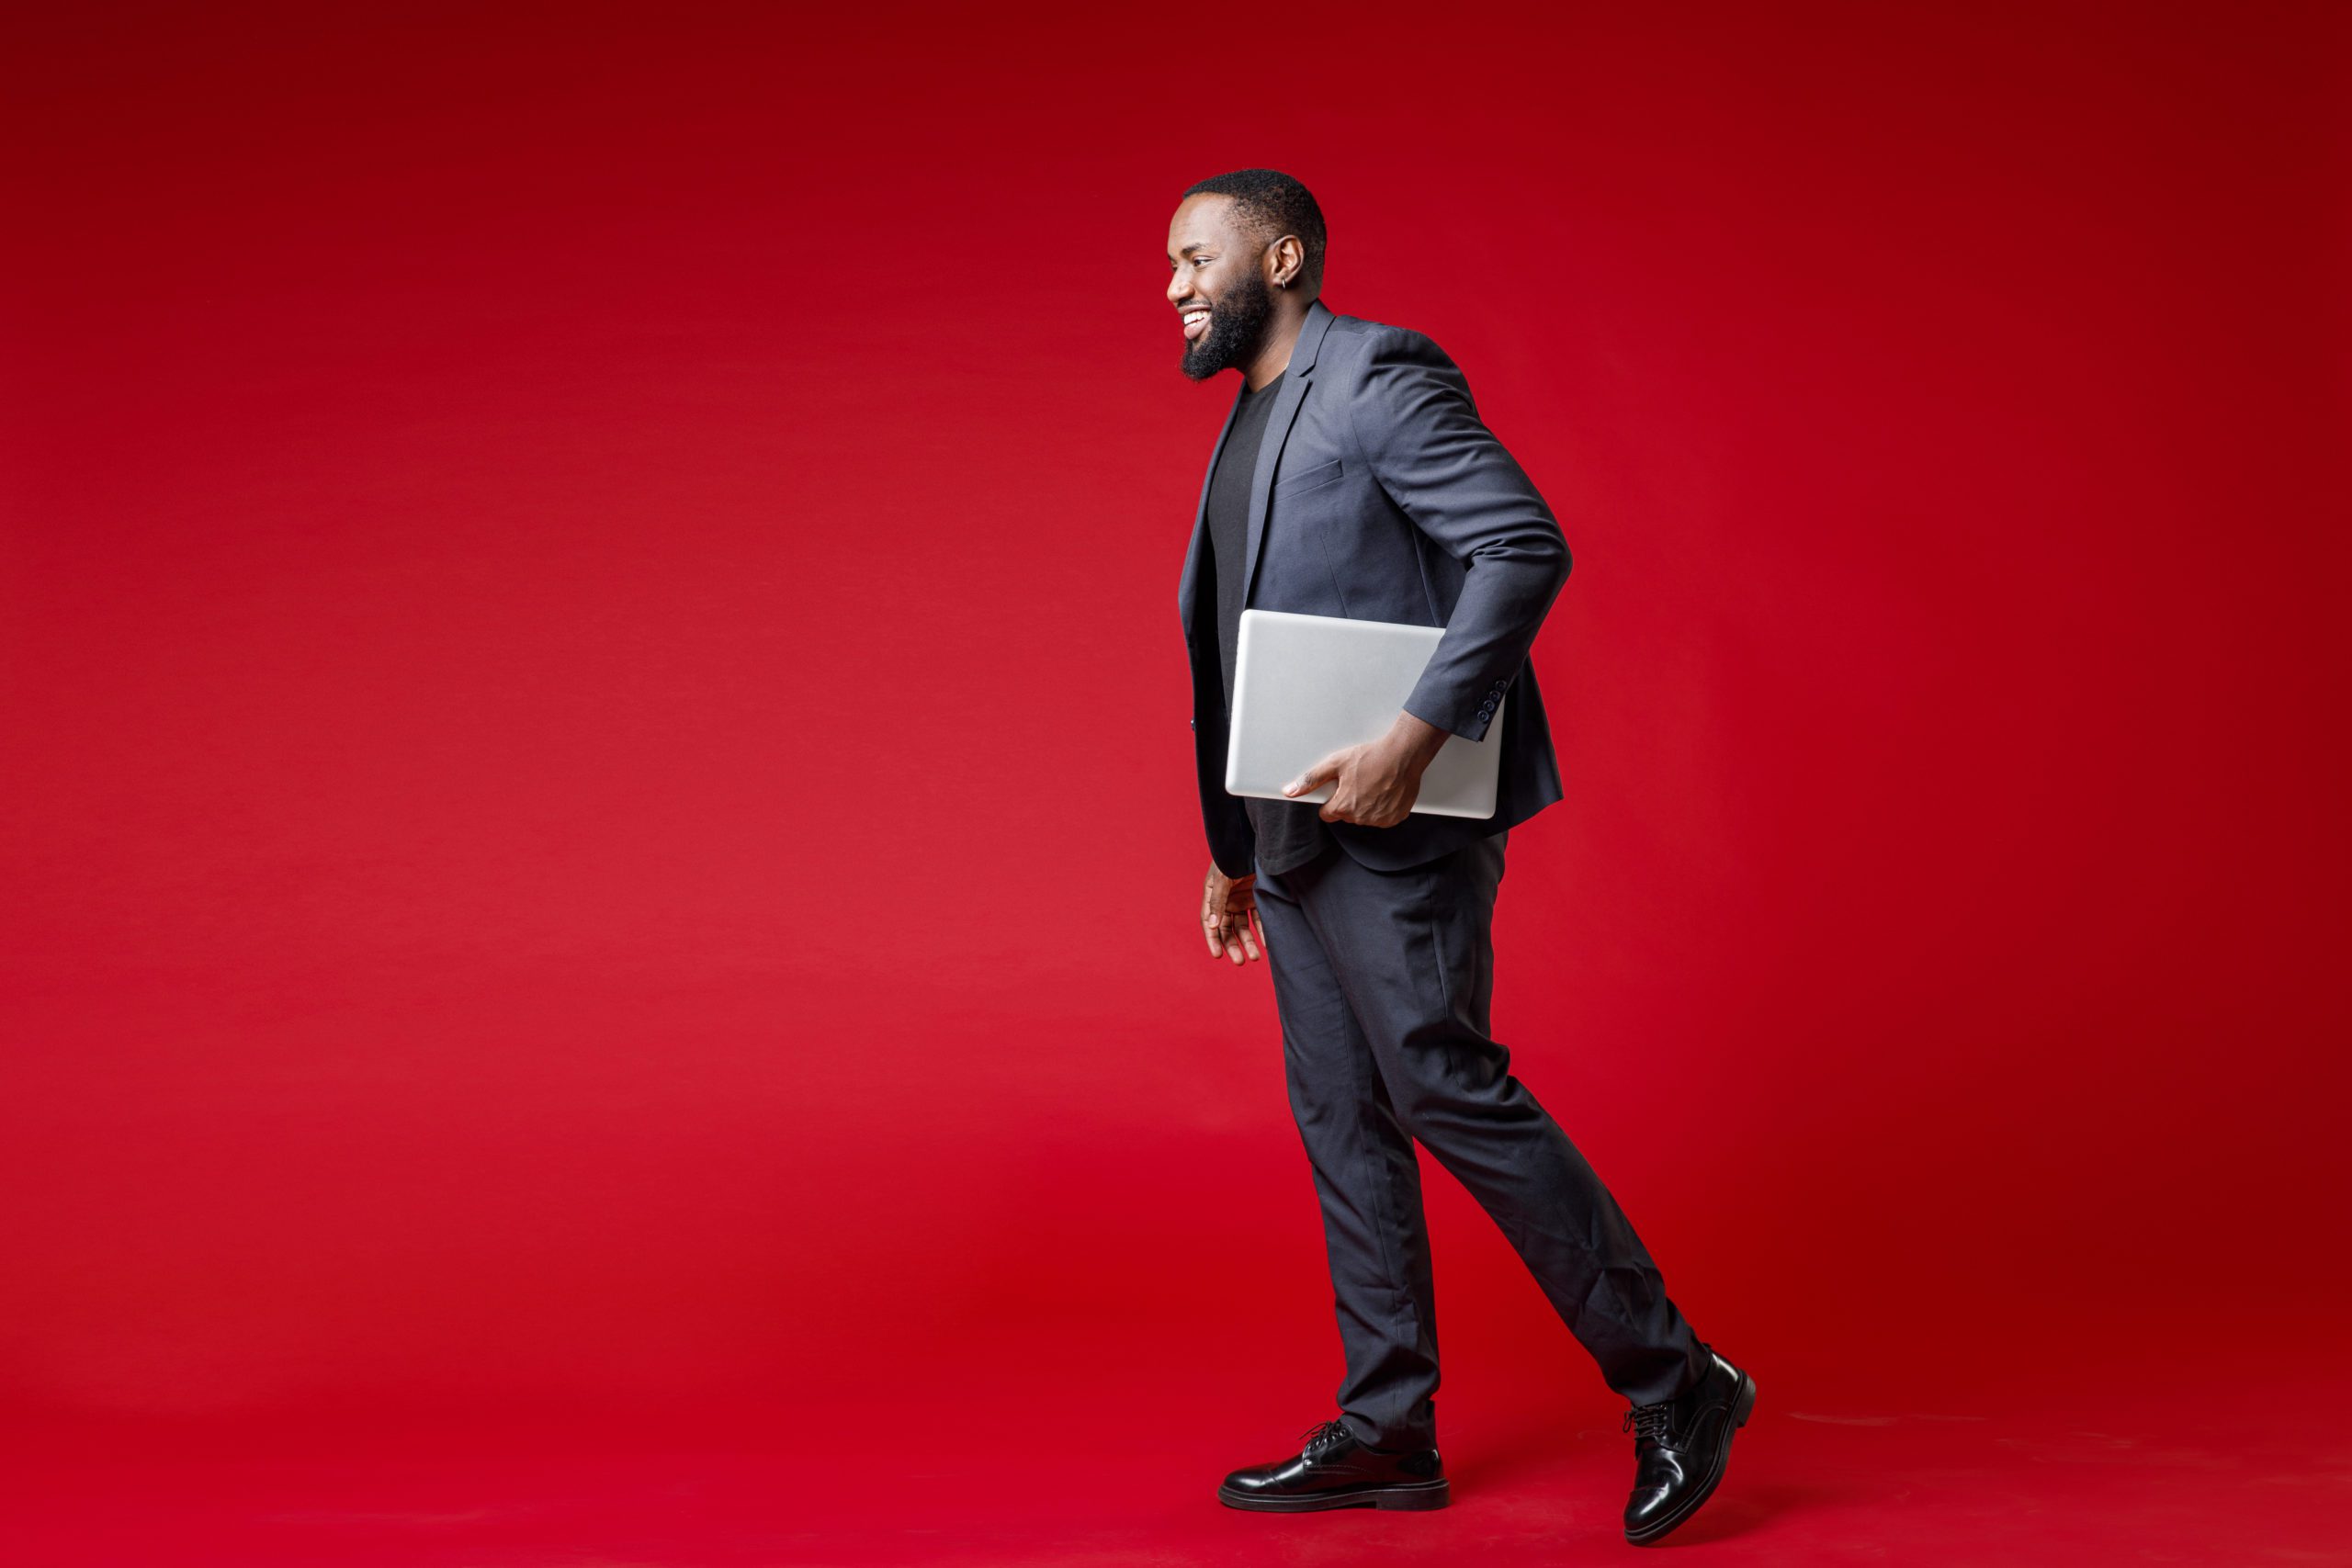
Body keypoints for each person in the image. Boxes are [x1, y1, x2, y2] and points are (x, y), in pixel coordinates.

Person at [1165, 168, 1754, 1547]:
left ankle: (1680, 1382)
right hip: (1292, 835)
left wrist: (1413, 742)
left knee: (1442, 1088)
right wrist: (1231, 843)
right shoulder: (1253, 416)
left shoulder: (1376, 379)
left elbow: (1519, 544)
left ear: (1284, 258)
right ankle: (1387, 1430)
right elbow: (1245, 641)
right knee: (1342, 1119)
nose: (1177, 288)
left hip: (1399, 828)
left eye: (1197, 259)